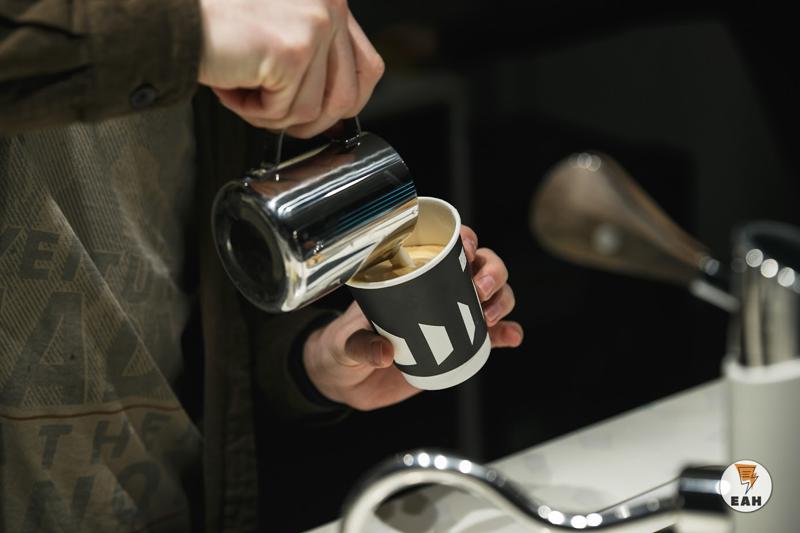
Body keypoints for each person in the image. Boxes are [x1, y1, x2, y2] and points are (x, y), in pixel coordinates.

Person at [0, 0, 524, 531]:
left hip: (170, 500)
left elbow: (202, 307)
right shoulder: (189, 27)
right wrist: (191, 32)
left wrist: (311, 362)